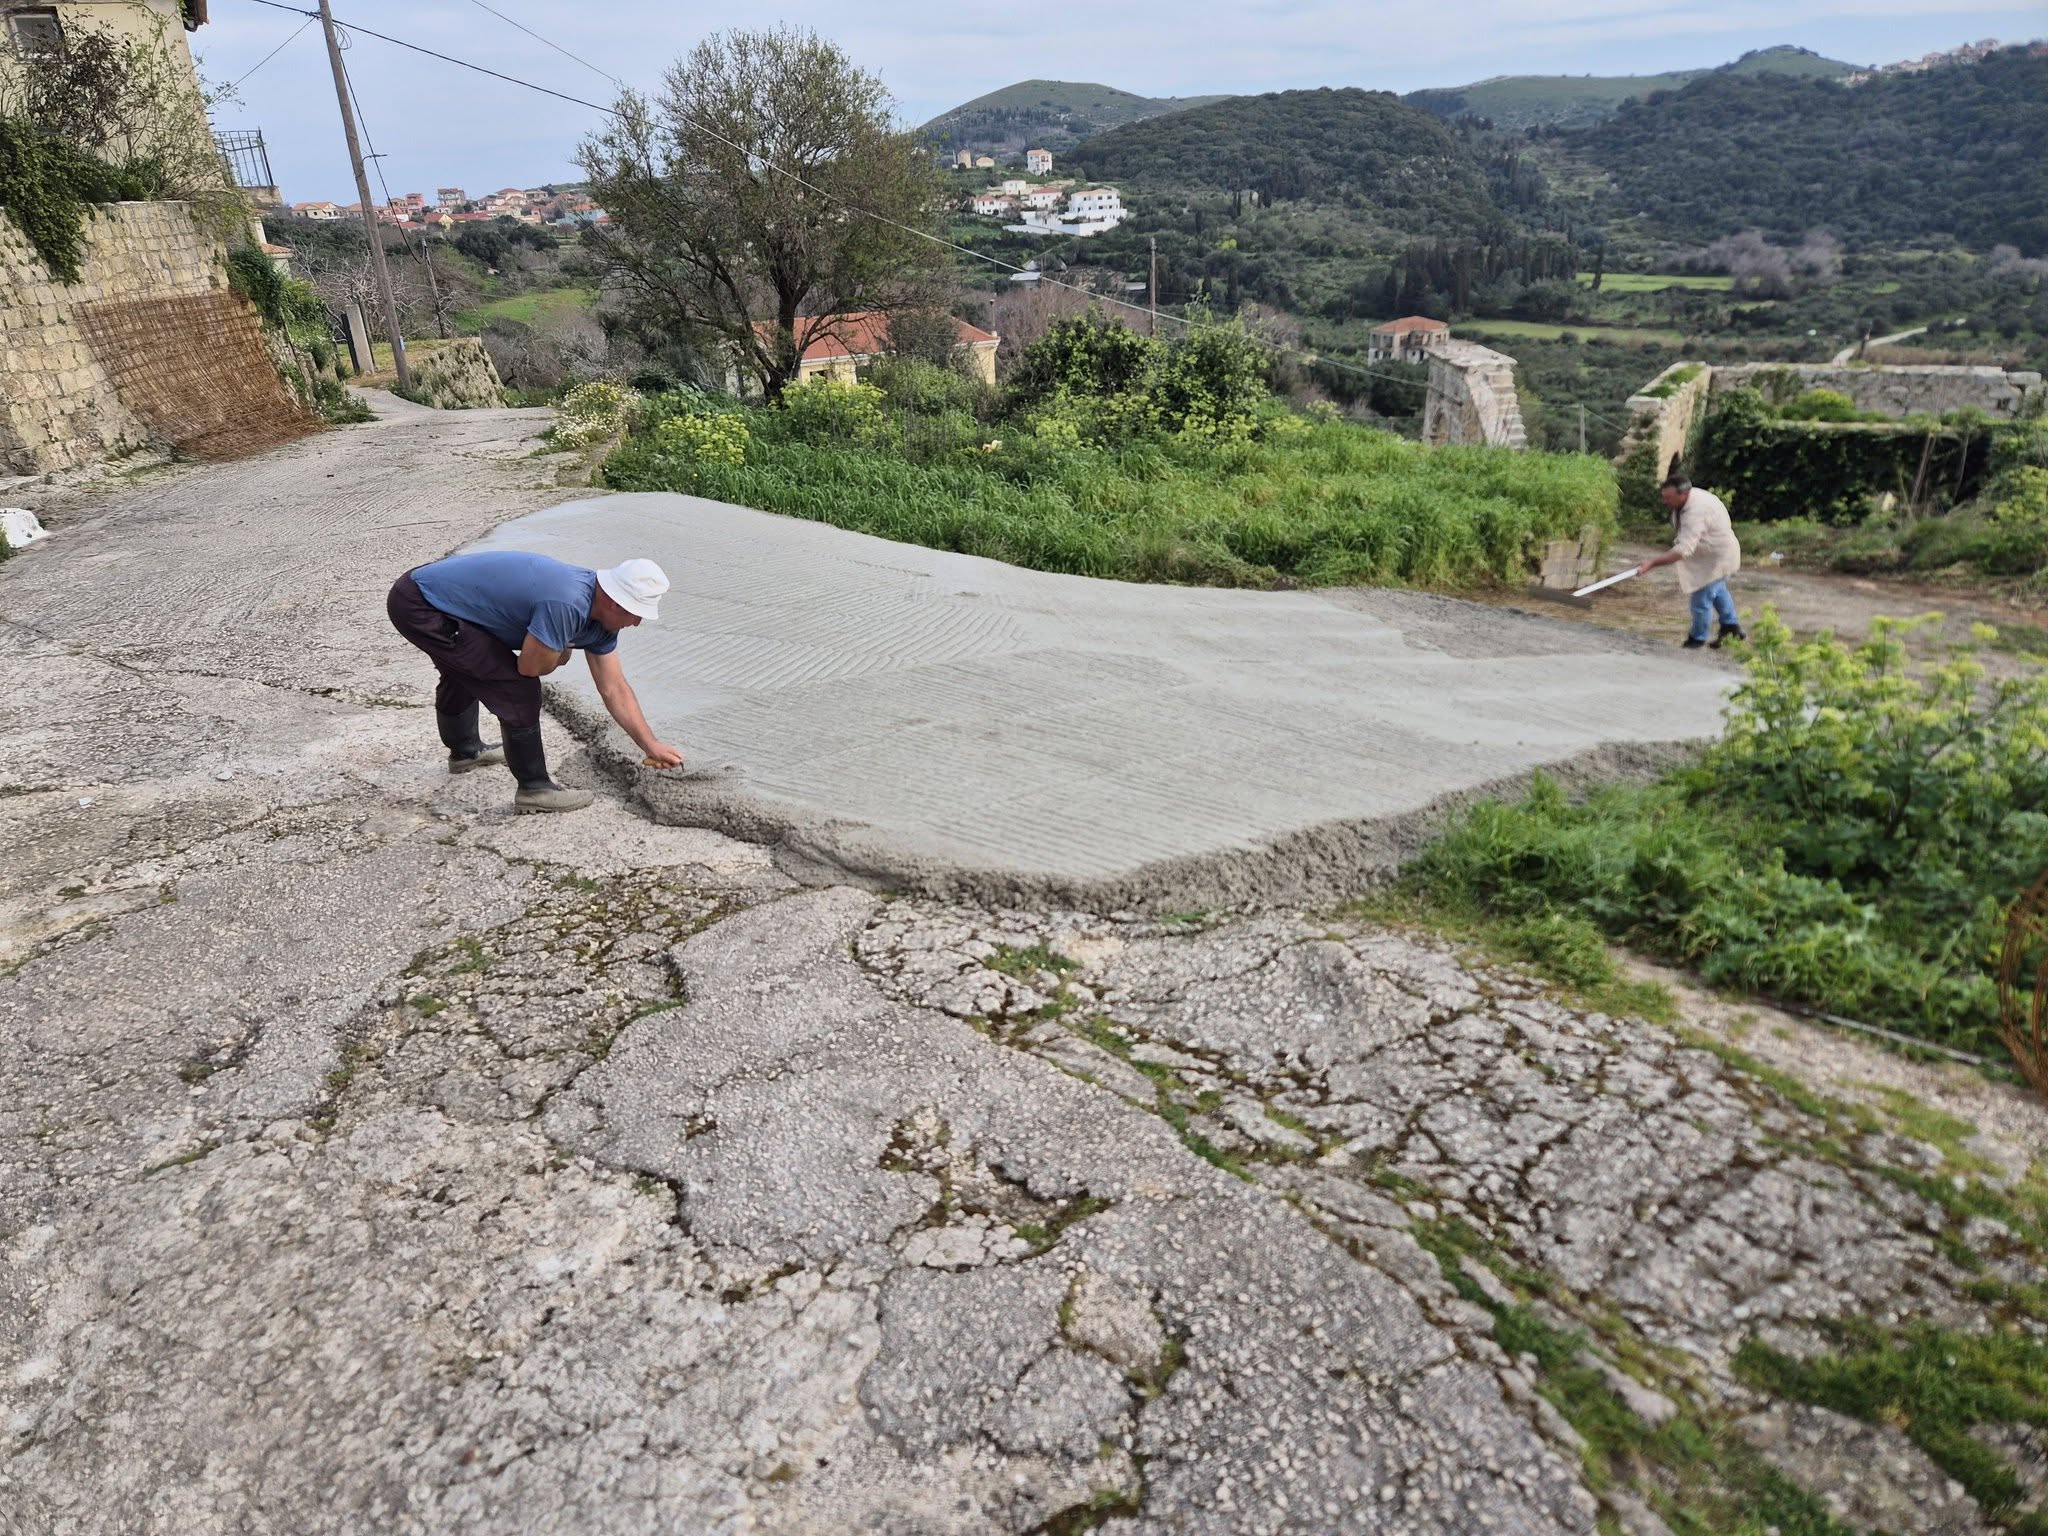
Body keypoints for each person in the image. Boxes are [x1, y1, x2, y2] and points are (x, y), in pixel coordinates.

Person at [385, 550, 684, 813]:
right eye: (636, 614)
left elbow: (613, 687)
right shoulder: (567, 603)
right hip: (420, 603)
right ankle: (534, 789)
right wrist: (560, 648)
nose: (637, 623)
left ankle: (466, 752)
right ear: (615, 603)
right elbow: (529, 668)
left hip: (438, 596)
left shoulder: (601, 620)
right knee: (518, 690)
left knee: (468, 669)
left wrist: (650, 745)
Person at [1635, 473, 1745, 650]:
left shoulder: (1697, 511)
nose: (1665, 501)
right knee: (1717, 590)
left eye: (1668, 498)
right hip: (1710, 554)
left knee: (1701, 599)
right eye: (1664, 497)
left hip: (1718, 557)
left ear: (1683, 494)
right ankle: (1731, 627)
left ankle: (1697, 638)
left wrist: (1652, 563)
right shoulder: (1685, 502)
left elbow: (1684, 549)